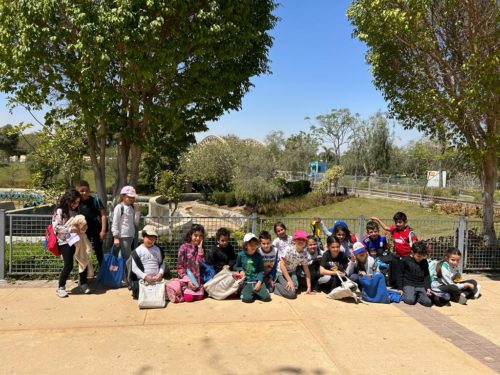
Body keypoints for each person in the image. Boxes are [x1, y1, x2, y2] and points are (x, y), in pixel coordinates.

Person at [53, 190, 90, 298]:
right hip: (65, 241)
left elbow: (80, 225)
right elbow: (56, 227)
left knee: (83, 260)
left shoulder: (77, 210)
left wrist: (83, 228)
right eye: (74, 202)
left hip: (78, 240)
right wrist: (70, 229)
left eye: (78, 202)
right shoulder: (59, 211)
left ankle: (83, 284)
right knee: (68, 265)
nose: (76, 204)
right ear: (68, 200)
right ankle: (61, 287)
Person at [371, 212, 417, 289]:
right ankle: (394, 285)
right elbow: (386, 228)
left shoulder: (410, 233)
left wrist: (411, 257)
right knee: (395, 273)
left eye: (400, 222)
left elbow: (415, 247)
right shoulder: (394, 230)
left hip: (407, 259)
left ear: (405, 222)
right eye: (396, 222)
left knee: (404, 275)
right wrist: (377, 220)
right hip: (398, 257)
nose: (398, 224)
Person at [111, 185, 141, 283]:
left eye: (133, 197)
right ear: (123, 196)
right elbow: (115, 222)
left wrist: (137, 211)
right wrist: (116, 237)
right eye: (129, 197)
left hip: (130, 235)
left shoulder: (131, 207)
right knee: (128, 257)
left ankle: (123, 277)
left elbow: (136, 222)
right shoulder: (119, 207)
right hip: (123, 236)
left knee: (124, 257)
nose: (131, 199)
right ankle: (128, 278)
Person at [75, 180, 107, 267]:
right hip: (82, 231)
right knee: (83, 251)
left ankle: (103, 273)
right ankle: (85, 275)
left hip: (96, 230)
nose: (84, 193)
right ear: (77, 191)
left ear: (89, 190)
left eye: (86, 190)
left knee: (98, 251)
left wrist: (103, 231)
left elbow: (103, 215)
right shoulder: (76, 202)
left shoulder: (96, 200)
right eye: (81, 191)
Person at [274, 229, 312, 299]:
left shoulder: (304, 253)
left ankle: (284, 287)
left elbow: (306, 270)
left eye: (303, 240)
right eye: (298, 239)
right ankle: (275, 286)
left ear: (305, 242)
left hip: (292, 271)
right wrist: (289, 280)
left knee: (295, 288)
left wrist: (309, 287)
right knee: (291, 294)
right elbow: (282, 265)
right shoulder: (289, 249)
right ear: (294, 240)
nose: (301, 241)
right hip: (281, 272)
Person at [235, 233, 271, 303]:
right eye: (251, 244)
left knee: (267, 298)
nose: (253, 246)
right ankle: (248, 292)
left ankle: (256, 292)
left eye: (255, 244)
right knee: (247, 299)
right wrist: (241, 271)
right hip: (246, 282)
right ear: (245, 245)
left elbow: (261, 271)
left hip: (256, 281)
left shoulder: (259, 256)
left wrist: (259, 282)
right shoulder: (240, 255)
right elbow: (237, 266)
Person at [176, 224, 206, 302]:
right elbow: (180, 267)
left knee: (199, 297)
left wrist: (200, 250)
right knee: (189, 298)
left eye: (200, 236)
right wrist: (188, 281)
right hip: (186, 280)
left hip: (198, 281)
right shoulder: (183, 247)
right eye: (195, 235)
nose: (198, 238)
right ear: (190, 235)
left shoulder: (201, 248)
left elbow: (202, 265)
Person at [399, 241, 432, 307]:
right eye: (418, 256)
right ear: (412, 253)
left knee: (428, 302)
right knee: (410, 300)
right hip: (409, 284)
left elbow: (426, 275)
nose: (421, 258)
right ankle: (411, 294)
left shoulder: (424, 262)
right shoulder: (405, 260)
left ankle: (417, 296)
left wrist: (428, 287)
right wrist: (400, 288)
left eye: (423, 256)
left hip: (420, 285)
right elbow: (400, 274)